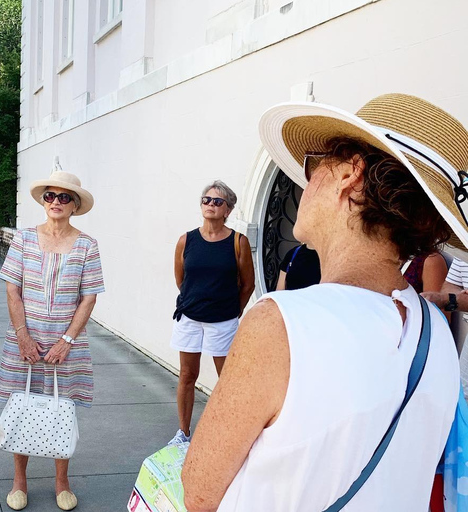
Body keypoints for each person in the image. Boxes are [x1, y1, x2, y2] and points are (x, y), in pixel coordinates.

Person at [182, 94, 464, 511]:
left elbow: (199, 494)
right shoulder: (436, 331)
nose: (304, 180)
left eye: (314, 166)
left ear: (350, 174)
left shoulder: (282, 325)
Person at [0, 170, 104, 511]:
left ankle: (61, 481)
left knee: (63, 409)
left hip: (66, 345)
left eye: (64, 197)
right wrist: (23, 336)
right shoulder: (24, 239)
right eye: (50, 196)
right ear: (44, 202)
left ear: (75, 205)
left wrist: (67, 340)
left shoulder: (87, 245)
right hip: (25, 341)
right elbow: (12, 290)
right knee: (23, 405)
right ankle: (19, 481)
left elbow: (88, 297)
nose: (56, 202)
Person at [168, 181, 255, 446]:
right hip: (189, 318)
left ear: (228, 209)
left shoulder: (238, 242)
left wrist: (232, 310)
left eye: (218, 202)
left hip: (223, 321)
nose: (210, 205)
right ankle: (183, 433)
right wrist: (197, 300)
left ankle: (230, 432)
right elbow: (181, 279)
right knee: (186, 376)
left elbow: (248, 284)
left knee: (226, 380)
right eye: (207, 200)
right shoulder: (186, 240)